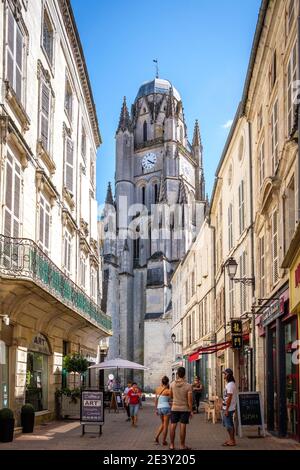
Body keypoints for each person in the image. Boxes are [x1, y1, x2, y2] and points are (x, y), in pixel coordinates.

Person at [169, 367, 193, 450]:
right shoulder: (188, 386)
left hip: (174, 407)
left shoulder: (172, 384)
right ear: (184, 374)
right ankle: (182, 445)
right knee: (183, 426)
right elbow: (190, 400)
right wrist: (191, 410)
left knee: (173, 425)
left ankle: (171, 445)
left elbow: (170, 396)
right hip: (184, 408)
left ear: (177, 374)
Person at [222, 368, 237, 447]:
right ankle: (232, 439)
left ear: (228, 375)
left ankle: (232, 441)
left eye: (225, 374)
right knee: (229, 424)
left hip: (229, 408)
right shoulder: (229, 384)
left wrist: (227, 409)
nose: (224, 375)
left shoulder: (230, 385)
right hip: (227, 408)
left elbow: (229, 398)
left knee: (229, 426)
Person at [154, 376, 171, 446]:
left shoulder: (157, 389)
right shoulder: (168, 390)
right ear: (167, 382)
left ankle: (156, 437)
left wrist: (156, 409)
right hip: (166, 407)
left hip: (159, 408)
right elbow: (171, 399)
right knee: (166, 425)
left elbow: (155, 399)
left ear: (162, 382)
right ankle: (163, 441)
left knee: (163, 424)